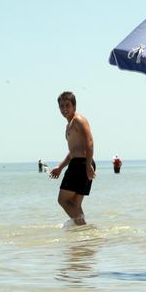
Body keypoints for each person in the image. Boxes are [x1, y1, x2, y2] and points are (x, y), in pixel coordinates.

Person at [49, 91, 96, 226]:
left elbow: (90, 142)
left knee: (63, 200)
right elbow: (72, 152)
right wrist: (60, 167)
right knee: (74, 203)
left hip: (82, 164)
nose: (64, 109)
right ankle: (83, 238)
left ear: (74, 106)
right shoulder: (68, 125)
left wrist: (88, 166)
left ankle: (83, 227)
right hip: (79, 162)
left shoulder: (78, 120)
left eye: (67, 105)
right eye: (61, 106)